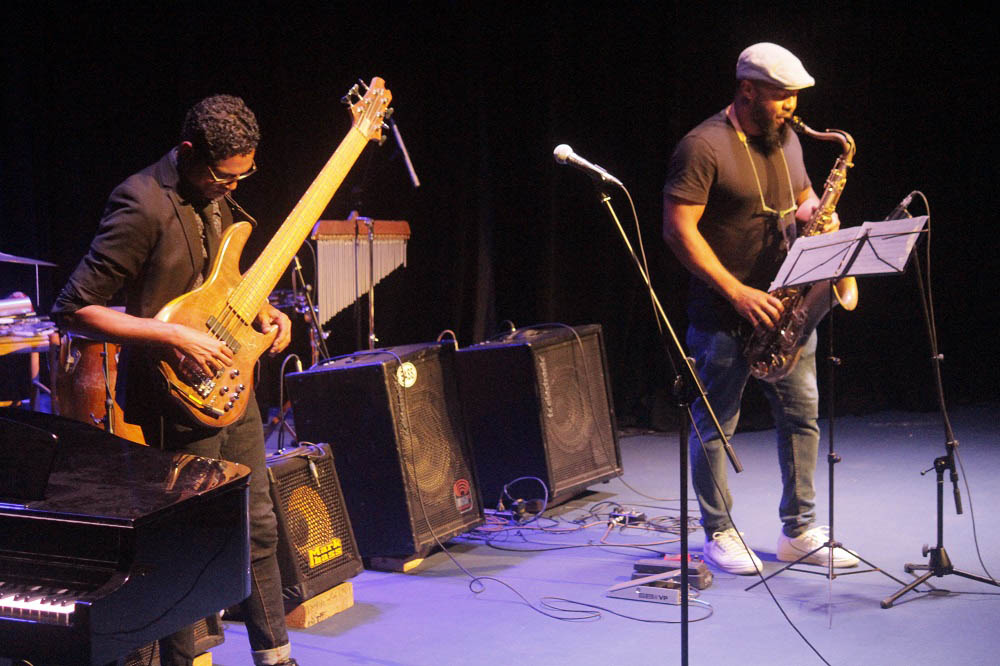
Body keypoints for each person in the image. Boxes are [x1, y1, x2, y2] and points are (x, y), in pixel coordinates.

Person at [51, 95, 298, 666]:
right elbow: (74, 309)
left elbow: (220, 284)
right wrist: (173, 336)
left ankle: (275, 657)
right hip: (172, 398)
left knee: (258, 526)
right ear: (188, 152)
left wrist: (263, 311)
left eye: (242, 176)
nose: (231, 187)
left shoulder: (218, 198)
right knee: (187, 546)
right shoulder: (141, 202)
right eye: (222, 176)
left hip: (230, 385)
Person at [661, 43, 860, 575]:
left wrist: (819, 215)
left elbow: (803, 199)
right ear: (747, 90)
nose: (791, 106)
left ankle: (799, 530)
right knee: (714, 426)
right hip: (726, 311)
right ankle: (719, 532)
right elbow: (678, 231)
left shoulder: (786, 138)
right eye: (780, 96)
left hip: (787, 306)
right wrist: (736, 291)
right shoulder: (702, 146)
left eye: (794, 96)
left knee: (801, 418)